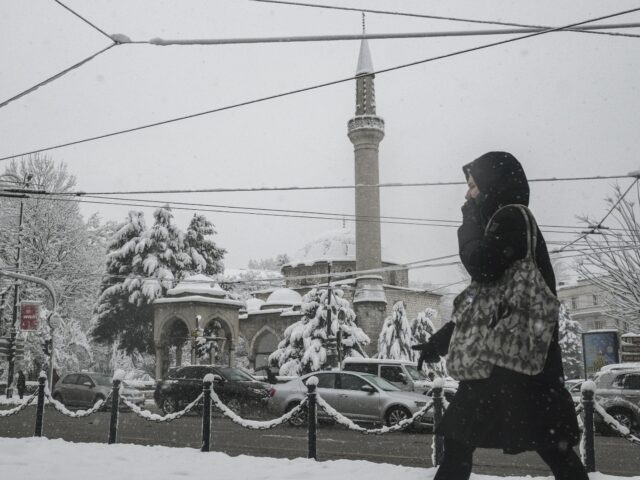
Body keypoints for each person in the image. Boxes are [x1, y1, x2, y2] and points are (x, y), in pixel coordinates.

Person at [413, 152, 587, 480]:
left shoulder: (511, 218)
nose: (468, 195)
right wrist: (442, 341)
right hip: (514, 364)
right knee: (553, 450)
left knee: (467, 445)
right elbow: (487, 301)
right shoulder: (505, 223)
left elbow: (481, 265)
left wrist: (468, 224)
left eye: (473, 186)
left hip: (511, 366)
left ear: (493, 185)